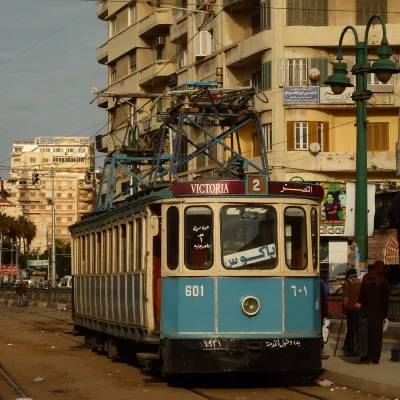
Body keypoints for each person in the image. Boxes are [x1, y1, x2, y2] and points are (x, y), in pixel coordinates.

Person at [355, 260, 390, 364]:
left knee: (365, 335)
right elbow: (385, 299)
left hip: (366, 311)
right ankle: (374, 358)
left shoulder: (366, 278)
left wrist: (360, 302)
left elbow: (361, 294)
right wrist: (385, 314)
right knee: (376, 336)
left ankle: (365, 356)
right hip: (378, 312)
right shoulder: (383, 280)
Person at [342, 268, 362, 356]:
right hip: (360, 309)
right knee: (358, 329)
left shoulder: (347, 283)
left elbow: (345, 298)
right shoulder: (360, 282)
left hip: (351, 309)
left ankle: (352, 348)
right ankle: (359, 348)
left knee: (351, 329)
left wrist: (344, 308)